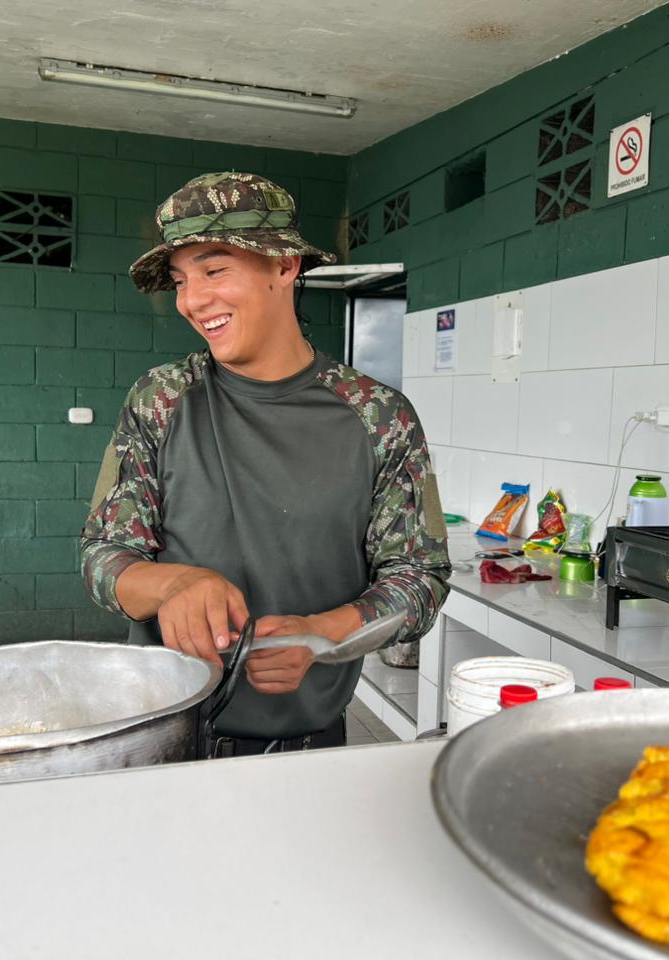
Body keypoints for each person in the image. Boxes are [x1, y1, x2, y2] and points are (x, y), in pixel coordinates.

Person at [79, 171, 451, 754]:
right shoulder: (162, 398)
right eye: (180, 280)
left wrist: (321, 635)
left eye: (214, 270)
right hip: (157, 738)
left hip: (304, 746)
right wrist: (177, 584)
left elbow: (420, 580)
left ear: (284, 266)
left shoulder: (379, 417)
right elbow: (103, 555)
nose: (192, 300)